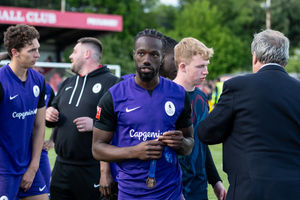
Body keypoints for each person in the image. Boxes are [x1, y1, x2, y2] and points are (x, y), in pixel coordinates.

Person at [92, 29, 194, 200]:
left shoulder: (178, 94)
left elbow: (190, 144)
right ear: (134, 55)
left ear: (162, 57)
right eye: (141, 53)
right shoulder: (114, 95)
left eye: (154, 54)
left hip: (170, 192)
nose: (146, 60)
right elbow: (97, 149)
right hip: (131, 193)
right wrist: (134, 151)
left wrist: (181, 143)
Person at [198, 29, 300, 199]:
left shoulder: (239, 86)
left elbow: (206, 133)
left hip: (249, 190)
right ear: (285, 59)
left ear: (255, 57)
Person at [45, 37, 119, 200]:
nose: (70, 56)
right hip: (61, 168)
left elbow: (121, 124)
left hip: (91, 169)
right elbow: (51, 116)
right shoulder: (68, 82)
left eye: (74, 51)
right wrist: (49, 114)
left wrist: (95, 125)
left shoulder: (112, 83)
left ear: (86, 54)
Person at [173, 37, 227, 200]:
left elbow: (201, 144)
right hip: (174, 189)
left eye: (206, 66)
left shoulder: (201, 97)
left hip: (199, 187)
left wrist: (215, 180)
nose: (206, 71)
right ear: (182, 67)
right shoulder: (166, 96)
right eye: (200, 66)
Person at [0, 24, 48, 200]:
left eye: (38, 49)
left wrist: (33, 167)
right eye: (32, 50)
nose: (37, 55)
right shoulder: (1, 81)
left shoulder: (38, 80)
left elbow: (39, 125)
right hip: (4, 169)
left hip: (28, 165)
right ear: (15, 52)